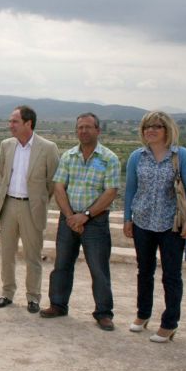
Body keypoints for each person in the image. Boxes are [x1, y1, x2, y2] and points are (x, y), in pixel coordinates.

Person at [123, 111, 186, 342]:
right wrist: (127, 218)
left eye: (157, 126)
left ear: (167, 129)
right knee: (144, 272)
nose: (151, 130)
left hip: (171, 224)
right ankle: (143, 314)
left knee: (171, 275)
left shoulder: (181, 156)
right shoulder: (137, 157)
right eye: (147, 127)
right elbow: (130, 189)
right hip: (143, 222)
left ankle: (169, 323)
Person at [40, 112, 120, 331]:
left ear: (98, 130)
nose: (83, 131)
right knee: (62, 265)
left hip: (95, 221)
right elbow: (59, 187)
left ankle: (103, 313)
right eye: (80, 127)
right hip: (68, 219)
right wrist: (70, 216)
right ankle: (58, 305)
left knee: (98, 268)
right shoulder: (68, 156)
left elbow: (110, 192)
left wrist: (85, 215)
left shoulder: (109, 158)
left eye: (88, 127)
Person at [0, 106, 59, 313]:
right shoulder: (6, 145)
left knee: (33, 255)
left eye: (14, 121)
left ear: (28, 123)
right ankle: (7, 293)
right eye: (10, 121)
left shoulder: (48, 148)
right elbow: (3, 173)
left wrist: (39, 201)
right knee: (7, 253)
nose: (10, 125)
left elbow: (52, 182)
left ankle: (33, 297)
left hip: (33, 207)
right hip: (9, 205)